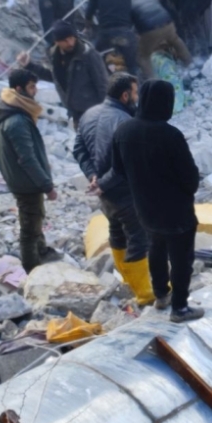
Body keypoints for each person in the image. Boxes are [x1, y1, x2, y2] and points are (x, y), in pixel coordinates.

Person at [111, 79, 203, 323]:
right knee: (181, 259)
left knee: (156, 248)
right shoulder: (170, 135)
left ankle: (161, 295)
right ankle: (180, 307)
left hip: (144, 207)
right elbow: (190, 179)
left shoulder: (123, 131)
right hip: (176, 211)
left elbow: (118, 171)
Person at [72, 73, 154, 306]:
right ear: (125, 95)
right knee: (138, 238)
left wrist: (93, 176)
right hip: (125, 192)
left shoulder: (88, 115)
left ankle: (130, 282)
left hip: (106, 196)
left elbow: (79, 150)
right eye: (135, 93)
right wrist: (103, 182)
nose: (137, 99)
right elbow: (126, 164)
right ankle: (146, 294)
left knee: (117, 233)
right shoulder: (126, 122)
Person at [0, 69, 61, 273]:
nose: (35, 91)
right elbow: (27, 159)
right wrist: (47, 186)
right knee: (30, 226)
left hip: (19, 179)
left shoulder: (7, 111)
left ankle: (43, 251)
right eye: (31, 87)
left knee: (35, 215)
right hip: (26, 181)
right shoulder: (17, 120)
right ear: (19, 89)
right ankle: (32, 269)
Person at [126, 0, 192, 78]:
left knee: (143, 56)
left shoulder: (130, 4)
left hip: (151, 30)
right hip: (168, 23)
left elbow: (131, 26)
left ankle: (153, 82)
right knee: (175, 40)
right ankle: (189, 62)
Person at [50, 21, 109, 130]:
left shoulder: (88, 55)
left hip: (95, 114)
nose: (70, 43)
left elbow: (103, 84)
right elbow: (54, 77)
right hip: (76, 114)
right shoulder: (55, 58)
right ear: (57, 42)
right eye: (65, 40)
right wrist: (29, 65)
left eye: (72, 38)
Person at [86, 0, 140, 76]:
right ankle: (136, 86)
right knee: (132, 65)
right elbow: (131, 12)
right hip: (125, 33)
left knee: (97, 59)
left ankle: (106, 81)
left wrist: (90, 27)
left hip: (106, 34)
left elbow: (88, 15)